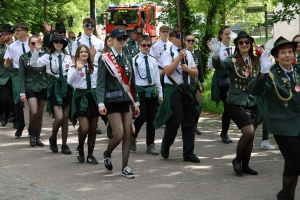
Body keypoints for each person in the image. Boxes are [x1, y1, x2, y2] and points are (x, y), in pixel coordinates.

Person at [247, 37, 300, 200]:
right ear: (276, 57)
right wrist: (262, 73)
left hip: (298, 123)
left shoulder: (298, 71)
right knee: (295, 161)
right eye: (282, 52)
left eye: (290, 51)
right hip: (282, 125)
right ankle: (286, 195)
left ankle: (286, 195)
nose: (287, 55)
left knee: (294, 163)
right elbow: (254, 90)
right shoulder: (271, 75)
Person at [210, 31, 260, 175]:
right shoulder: (232, 60)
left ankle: (245, 165)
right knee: (249, 131)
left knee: (250, 136)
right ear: (237, 45)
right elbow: (219, 67)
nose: (244, 45)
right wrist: (215, 54)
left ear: (250, 44)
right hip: (236, 102)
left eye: (247, 42)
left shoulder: (255, 61)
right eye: (241, 42)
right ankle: (237, 160)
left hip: (252, 102)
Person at [96, 28, 140, 178]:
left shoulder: (128, 58)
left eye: (124, 38)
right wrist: (100, 103)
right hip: (112, 100)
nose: (122, 41)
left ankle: (125, 167)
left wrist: (137, 103)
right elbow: (100, 83)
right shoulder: (104, 58)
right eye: (119, 38)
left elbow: (133, 82)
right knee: (119, 133)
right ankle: (107, 153)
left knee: (128, 133)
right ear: (112, 39)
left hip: (127, 100)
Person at [153, 28, 200, 163]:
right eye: (178, 36)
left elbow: (195, 73)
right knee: (175, 118)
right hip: (173, 89)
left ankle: (188, 152)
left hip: (187, 89)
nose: (181, 38)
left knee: (189, 121)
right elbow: (167, 71)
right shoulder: (168, 53)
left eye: (182, 36)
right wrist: (178, 58)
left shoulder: (188, 54)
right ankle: (166, 144)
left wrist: (188, 69)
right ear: (172, 38)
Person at [30, 34, 73, 154]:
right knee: (59, 117)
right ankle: (53, 137)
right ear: (52, 43)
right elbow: (33, 64)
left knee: (65, 118)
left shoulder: (67, 57)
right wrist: (37, 50)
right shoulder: (48, 56)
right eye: (56, 41)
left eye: (61, 41)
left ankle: (64, 144)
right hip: (54, 88)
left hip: (66, 87)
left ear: (64, 44)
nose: (58, 43)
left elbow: (72, 72)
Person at [131, 35, 163, 154]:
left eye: (148, 45)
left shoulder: (152, 59)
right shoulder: (134, 60)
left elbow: (156, 78)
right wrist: (134, 97)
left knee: (151, 119)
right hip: (140, 91)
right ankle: (132, 136)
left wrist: (160, 93)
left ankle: (150, 144)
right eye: (143, 45)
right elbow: (132, 79)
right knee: (141, 116)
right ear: (139, 45)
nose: (146, 47)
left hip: (151, 91)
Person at [68, 45, 99, 164]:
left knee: (92, 129)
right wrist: (77, 69)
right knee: (85, 127)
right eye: (81, 52)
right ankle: (80, 147)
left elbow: (98, 84)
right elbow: (69, 81)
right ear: (77, 54)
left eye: (86, 52)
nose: (84, 54)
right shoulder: (73, 67)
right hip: (81, 98)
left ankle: (90, 154)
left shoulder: (95, 67)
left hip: (93, 98)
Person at [72, 18, 104, 134]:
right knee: (83, 99)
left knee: (94, 98)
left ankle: (95, 124)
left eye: (91, 25)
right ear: (83, 26)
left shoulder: (99, 41)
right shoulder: (78, 42)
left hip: (94, 71)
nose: (89, 27)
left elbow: (102, 58)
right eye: (87, 25)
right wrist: (76, 70)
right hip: (81, 72)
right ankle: (82, 123)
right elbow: (74, 58)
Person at [19, 36, 47, 147]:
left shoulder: (44, 56)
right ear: (29, 44)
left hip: (42, 86)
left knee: (40, 114)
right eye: (32, 43)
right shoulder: (24, 57)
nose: (35, 45)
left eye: (37, 43)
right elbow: (21, 76)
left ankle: (38, 137)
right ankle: (31, 134)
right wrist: (22, 92)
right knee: (34, 111)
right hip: (30, 87)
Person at [4, 23, 30, 138]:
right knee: (17, 99)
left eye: (19, 30)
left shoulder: (32, 44)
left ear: (25, 31)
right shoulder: (12, 46)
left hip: (31, 73)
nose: (17, 33)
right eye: (16, 31)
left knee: (33, 99)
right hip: (17, 73)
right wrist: (7, 63)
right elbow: (5, 64)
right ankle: (20, 124)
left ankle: (32, 127)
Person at [207, 25, 232, 143]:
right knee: (228, 105)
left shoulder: (234, 48)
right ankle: (224, 133)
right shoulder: (217, 48)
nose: (229, 36)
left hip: (233, 82)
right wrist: (214, 53)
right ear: (221, 36)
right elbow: (210, 66)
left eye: (230, 33)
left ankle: (225, 131)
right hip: (222, 82)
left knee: (232, 107)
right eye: (226, 34)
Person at [185, 34, 205, 135]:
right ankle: (187, 125)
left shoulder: (197, 53)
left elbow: (200, 68)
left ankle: (195, 125)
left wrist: (202, 82)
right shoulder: (182, 53)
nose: (190, 42)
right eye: (188, 40)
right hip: (185, 84)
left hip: (195, 82)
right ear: (185, 42)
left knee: (200, 105)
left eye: (192, 41)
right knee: (187, 106)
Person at [0, 25, 15, 128]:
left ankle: (16, 120)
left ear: (10, 35)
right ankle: (7, 113)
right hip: (3, 77)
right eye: (1, 34)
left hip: (15, 76)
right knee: (4, 98)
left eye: (4, 34)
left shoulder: (17, 46)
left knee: (16, 100)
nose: (1, 36)